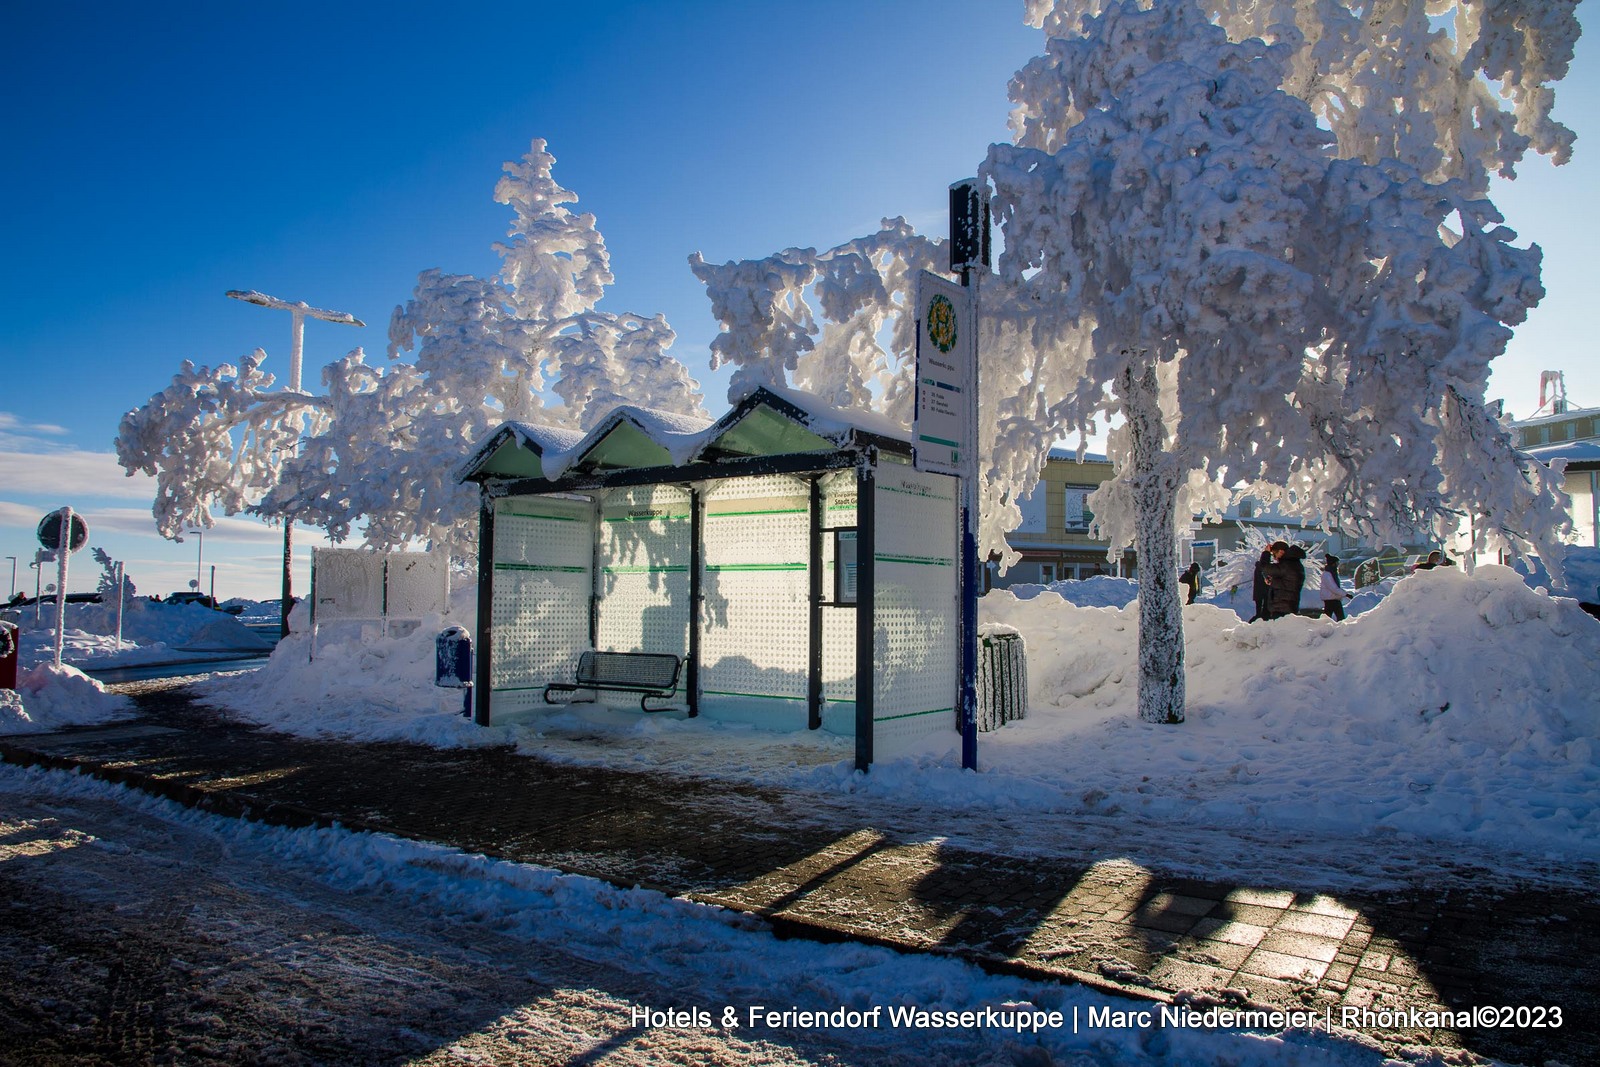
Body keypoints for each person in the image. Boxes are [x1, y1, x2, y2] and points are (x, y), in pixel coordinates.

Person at [1261, 540, 1307, 620]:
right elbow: (1287, 583)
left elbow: (1265, 568)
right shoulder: (1294, 564)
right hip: (1288, 605)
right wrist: (1273, 581)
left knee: (1280, 631)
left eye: (1275, 554)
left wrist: (1266, 553)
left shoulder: (1286, 565)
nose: (1274, 558)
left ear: (1281, 552)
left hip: (1282, 607)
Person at [1319, 554, 1352, 621]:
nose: (1338, 564)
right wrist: (1346, 594)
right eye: (1337, 563)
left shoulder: (1332, 573)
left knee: (1329, 618)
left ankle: (1330, 628)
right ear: (1333, 564)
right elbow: (1333, 588)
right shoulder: (1327, 574)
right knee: (1338, 618)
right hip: (1330, 599)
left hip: (1333, 598)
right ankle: (1336, 629)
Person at [1250, 548, 1272, 622]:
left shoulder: (1258, 568)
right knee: (1264, 614)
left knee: (1259, 613)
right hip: (1265, 593)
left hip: (1258, 594)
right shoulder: (1264, 569)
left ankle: (1253, 624)